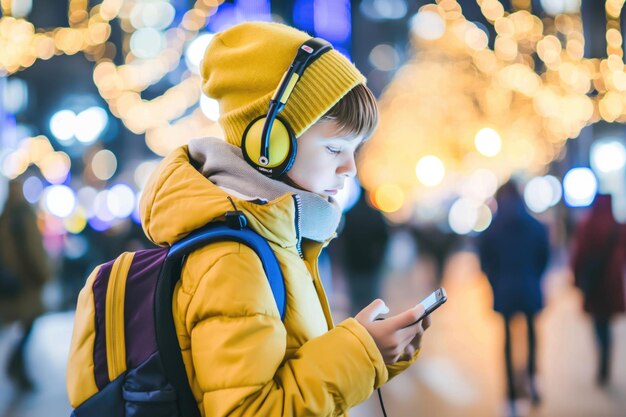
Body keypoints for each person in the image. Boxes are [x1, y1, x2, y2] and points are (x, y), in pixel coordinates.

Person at [139, 22, 432, 416]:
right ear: (269, 143)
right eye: (334, 148)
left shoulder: (273, 237)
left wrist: (376, 352)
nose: (349, 167)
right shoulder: (233, 260)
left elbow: (290, 373)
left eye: (354, 149)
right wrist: (361, 353)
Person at [477, 181, 549, 416]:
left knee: (507, 339)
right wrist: (535, 278)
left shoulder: (493, 227)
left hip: (505, 289)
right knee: (531, 333)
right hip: (529, 287)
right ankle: (532, 381)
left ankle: (509, 394)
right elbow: (544, 255)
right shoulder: (534, 224)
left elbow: (484, 260)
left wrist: (495, 281)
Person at [0, 178, 51, 391]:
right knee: (27, 325)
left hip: (13, 280)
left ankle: (17, 369)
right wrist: (44, 274)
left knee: (22, 326)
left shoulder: (6, 215)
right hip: (25, 282)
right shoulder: (22, 214)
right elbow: (33, 250)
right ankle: (16, 368)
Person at [571, 193, 625, 386]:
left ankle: (602, 364)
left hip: (594, 282)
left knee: (598, 323)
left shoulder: (587, 224)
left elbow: (579, 254)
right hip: (611, 282)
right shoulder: (618, 226)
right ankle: (606, 363)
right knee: (607, 323)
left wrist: (577, 279)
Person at [341, 190, 390, 315]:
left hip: (353, 264)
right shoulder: (375, 214)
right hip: (371, 264)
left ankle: (356, 328)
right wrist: (378, 257)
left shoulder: (350, 214)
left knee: (355, 300)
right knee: (371, 299)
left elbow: (343, 240)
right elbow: (384, 237)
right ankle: (372, 328)